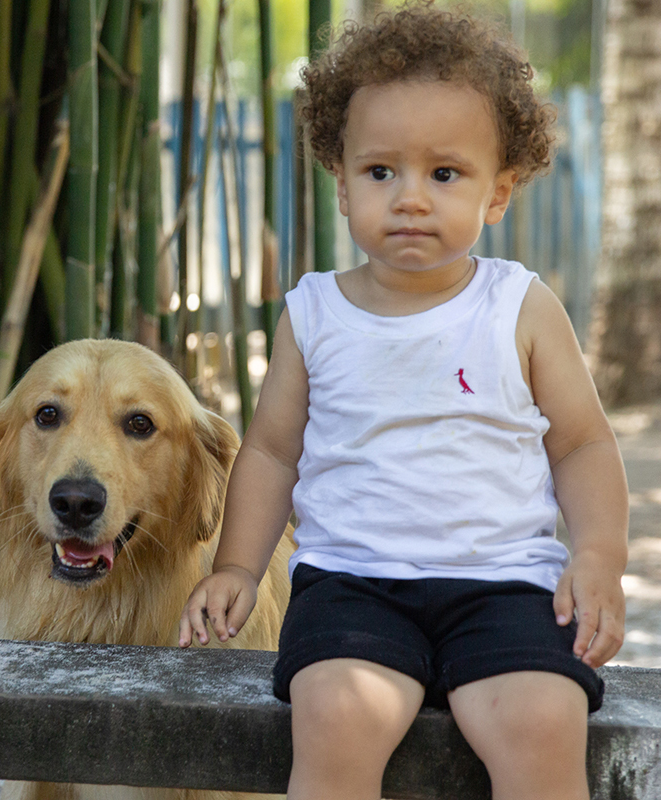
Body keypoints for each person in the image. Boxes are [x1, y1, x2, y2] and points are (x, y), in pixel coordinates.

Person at [177, 4, 629, 799]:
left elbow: (583, 444)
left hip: (507, 585)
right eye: (380, 171)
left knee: (542, 720)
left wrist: (597, 556)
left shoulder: (519, 306)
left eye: (444, 173)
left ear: (499, 192)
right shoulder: (313, 314)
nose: (410, 197)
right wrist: (240, 567)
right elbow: (273, 451)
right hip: (353, 584)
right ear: (342, 185)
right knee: (336, 716)